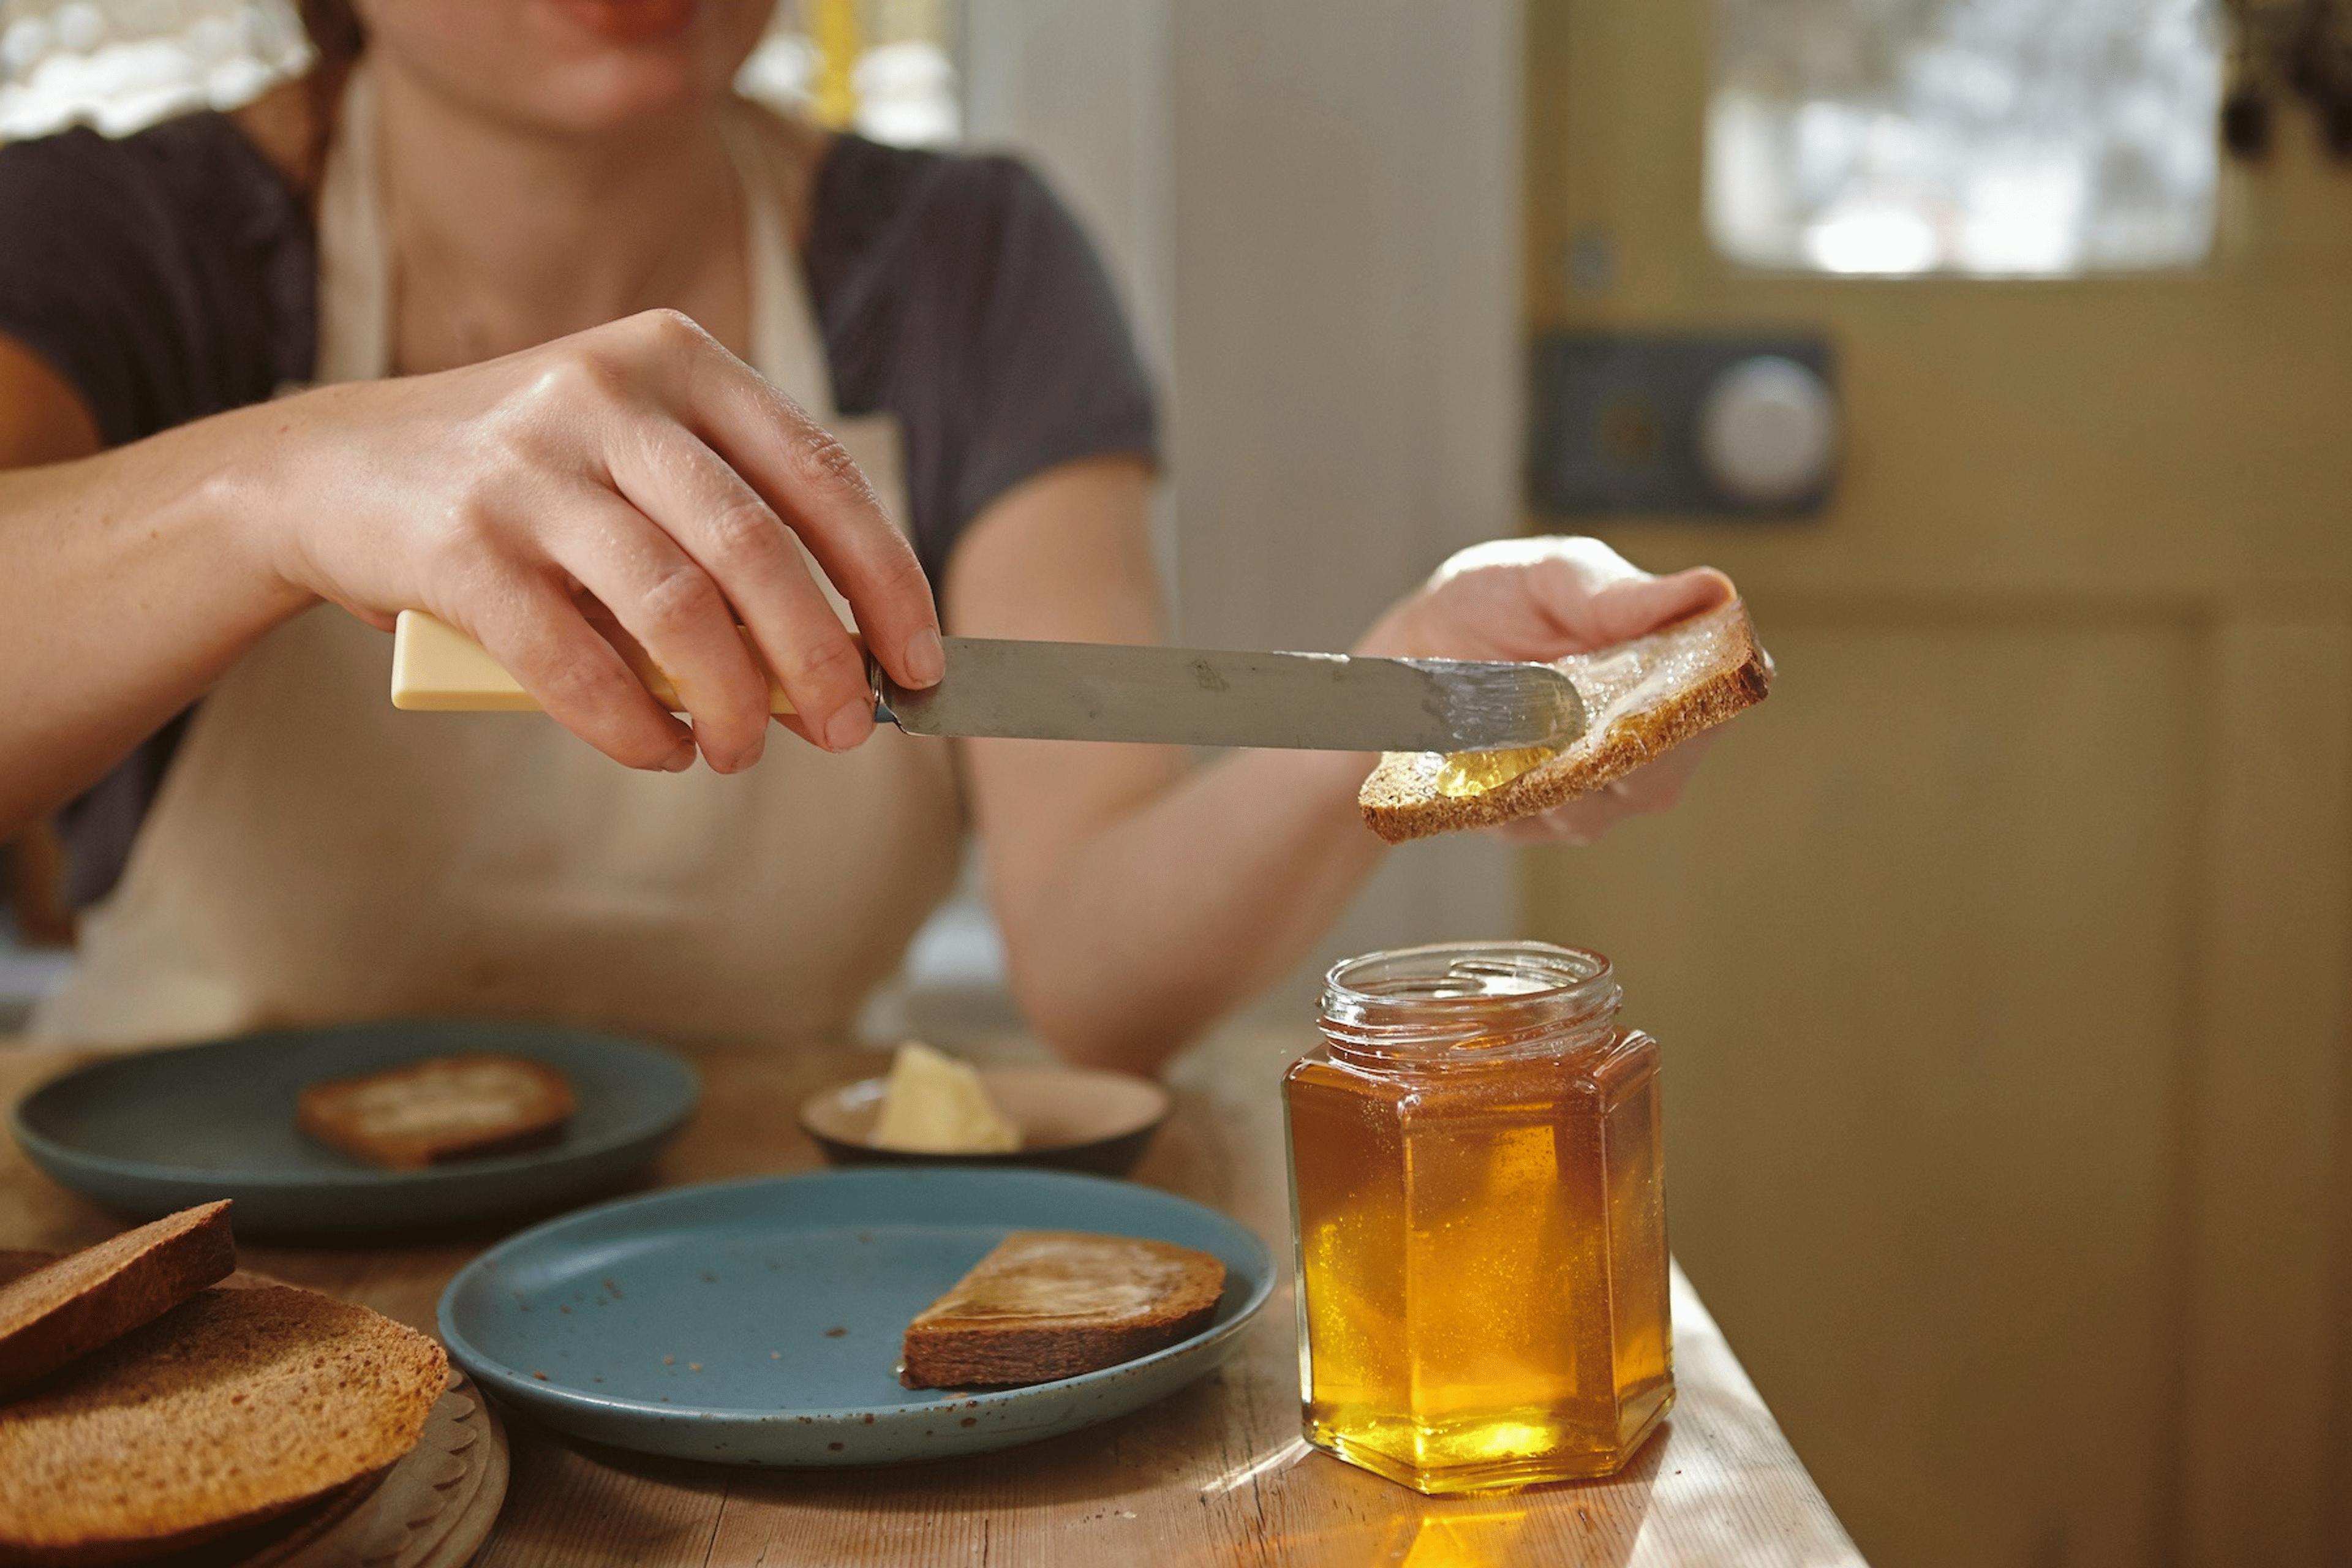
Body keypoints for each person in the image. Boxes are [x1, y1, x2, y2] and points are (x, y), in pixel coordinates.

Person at [0, 0, 1731, 1071]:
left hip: (765, 1266)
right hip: (189, 1258)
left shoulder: (972, 267)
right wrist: (273, 490)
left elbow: (1100, 979)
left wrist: (1398, 695)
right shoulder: (106, 243)